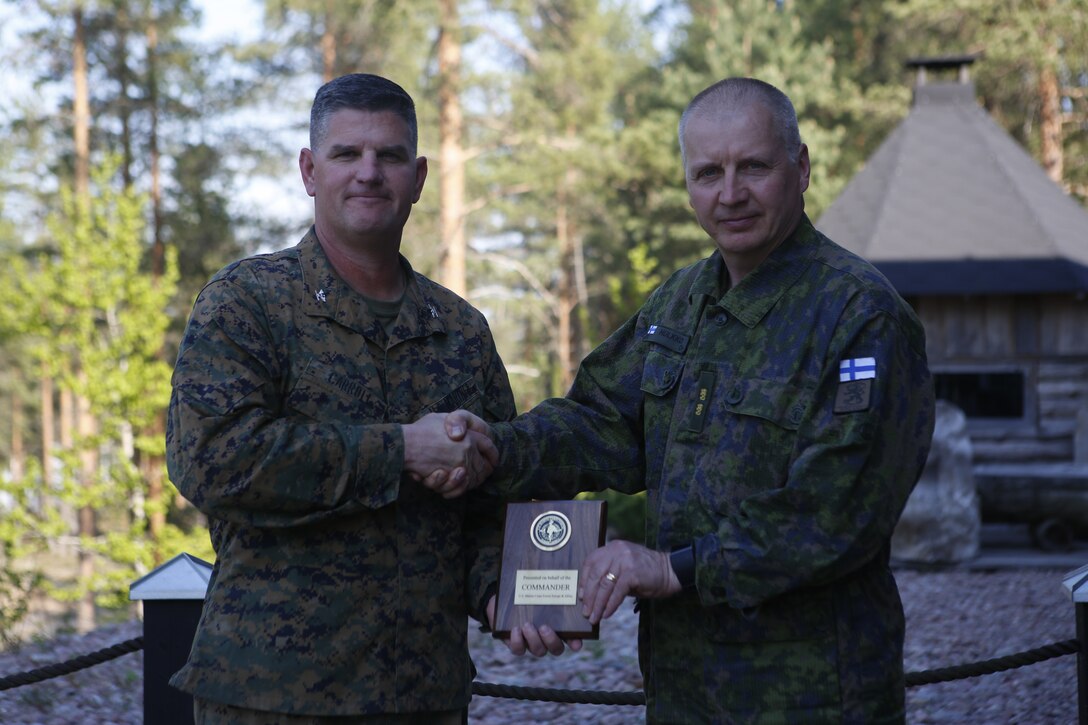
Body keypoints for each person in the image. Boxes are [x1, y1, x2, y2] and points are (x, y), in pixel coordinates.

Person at [444, 77, 935, 723]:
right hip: (681, 690)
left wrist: (670, 567)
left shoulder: (859, 315)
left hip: (813, 692)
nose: (729, 193)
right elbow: (600, 423)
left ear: (802, 167)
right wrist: (489, 446)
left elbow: (835, 512)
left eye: (752, 167)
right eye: (708, 172)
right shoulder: (678, 303)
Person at [166, 72, 515, 723]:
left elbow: (495, 500)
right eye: (346, 154)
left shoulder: (461, 331)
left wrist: (501, 590)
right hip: (269, 696)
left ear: (418, 177)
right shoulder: (249, 302)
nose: (369, 173)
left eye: (388, 156)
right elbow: (211, 458)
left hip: (421, 694)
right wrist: (401, 449)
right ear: (309, 170)